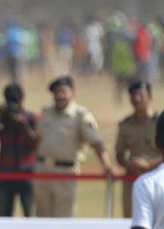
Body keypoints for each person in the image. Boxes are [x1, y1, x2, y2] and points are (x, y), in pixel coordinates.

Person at [34, 76, 113, 218]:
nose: (60, 95)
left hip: (65, 172)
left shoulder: (80, 115)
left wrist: (106, 164)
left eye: (64, 91)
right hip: (43, 171)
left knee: (64, 218)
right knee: (42, 218)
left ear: (72, 93)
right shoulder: (46, 112)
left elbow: (96, 142)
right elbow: (38, 139)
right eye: (57, 92)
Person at [0, 83, 38, 217]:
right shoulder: (0, 120)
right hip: (6, 173)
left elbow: (34, 145)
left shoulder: (30, 119)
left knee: (31, 216)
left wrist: (23, 125)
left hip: (27, 174)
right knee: (3, 217)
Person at [115, 81, 161, 218]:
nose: (137, 99)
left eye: (141, 95)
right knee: (130, 219)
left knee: (157, 219)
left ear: (150, 98)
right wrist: (128, 164)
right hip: (132, 180)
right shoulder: (125, 125)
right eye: (133, 96)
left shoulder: (161, 123)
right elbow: (119, 153)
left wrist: (149, 164)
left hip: (157, 178)